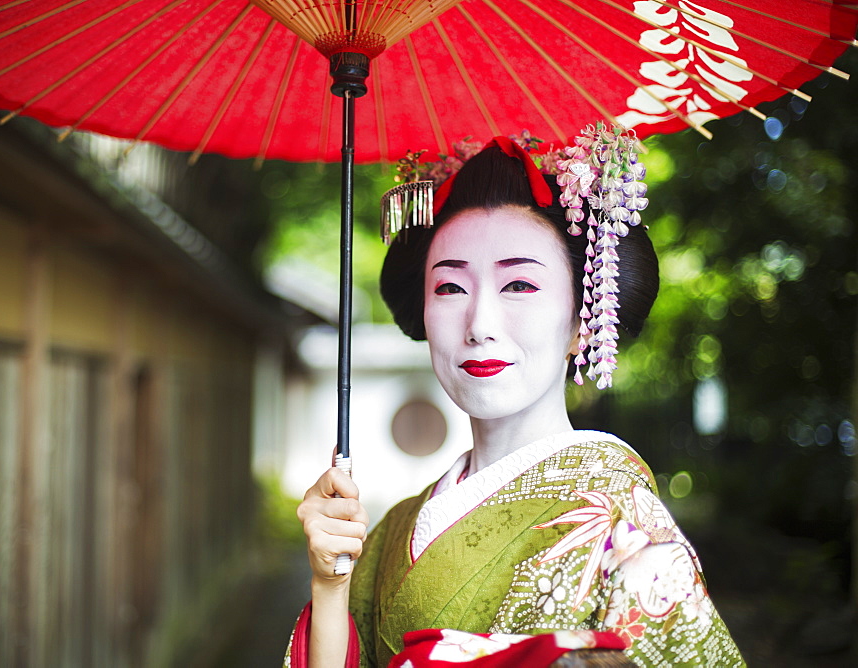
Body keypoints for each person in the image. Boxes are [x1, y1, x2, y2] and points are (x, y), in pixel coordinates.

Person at [285, 133, 744, 667]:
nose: (479, 325)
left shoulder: (623, 516)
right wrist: (330, 581)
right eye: (450, 288)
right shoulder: (390, 532)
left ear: (581, 320)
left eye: (520, 285)